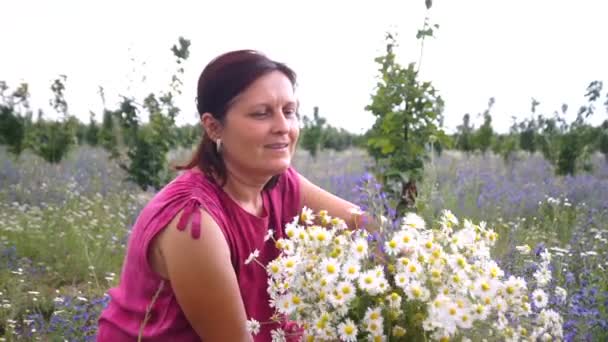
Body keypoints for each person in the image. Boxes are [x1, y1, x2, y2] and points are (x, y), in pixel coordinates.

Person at [96, 49, 364, 342]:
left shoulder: (280, 184)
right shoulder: (193, 222)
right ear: (213, 127)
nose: (283, 127)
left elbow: (364, 227)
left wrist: (412, 253)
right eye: (261, 114)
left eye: (289, 111)